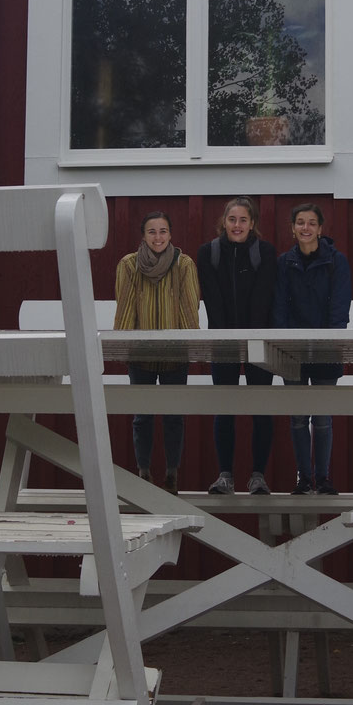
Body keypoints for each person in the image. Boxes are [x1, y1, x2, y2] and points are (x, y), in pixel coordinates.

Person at [114, 210, 200, 494]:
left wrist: (190, 345)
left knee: (174, 415)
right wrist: (125, 346)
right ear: (143, 235)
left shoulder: (184, 264)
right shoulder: (129, 265)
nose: (158, 237)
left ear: (171, 235)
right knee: (143, 415)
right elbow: (125, 306)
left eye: (163, 231)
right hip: (142, 355)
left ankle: (172, 472)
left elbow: (189, 307)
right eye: (152, 231)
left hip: (175, 355)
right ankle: (144, 471)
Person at [196, 196, 277, 496]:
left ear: (252, 223)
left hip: (259, 338)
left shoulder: (265, 252)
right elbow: (212, 300)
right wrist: (227, 339)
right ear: (224, 222)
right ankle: (225, 475)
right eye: (233, 220)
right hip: (223, 341)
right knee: (225, 408)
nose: (238, 225)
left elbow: (263, 296)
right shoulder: (209, 253)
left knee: (261, 407)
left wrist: (252, 337)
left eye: (244, 220)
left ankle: (258, 475)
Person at [272, 202, 352, 496]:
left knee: (322, 417)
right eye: (300, 222)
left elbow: (340, 306)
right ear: (292, 228)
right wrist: (284, 342)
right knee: (297, 417)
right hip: (292, 350)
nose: (305, 228)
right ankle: (303, 479)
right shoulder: (284, 262)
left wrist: (330, 342)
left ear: (320, 228)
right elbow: (278, 305)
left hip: (326, 349)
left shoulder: (336, 261)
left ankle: (323, 478)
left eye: (311, 223)